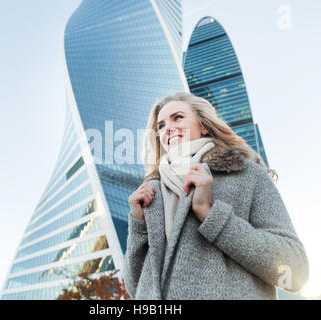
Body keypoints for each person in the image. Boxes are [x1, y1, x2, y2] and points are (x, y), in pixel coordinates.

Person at [122, 92, 309, 299]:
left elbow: (295, 271)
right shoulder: (151, 195)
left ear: (203, 125)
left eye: (178, 117)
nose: (168, 129)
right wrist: (138, 225)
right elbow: (136, 288)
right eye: (161, 126)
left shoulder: (246, 174)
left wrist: (210, 214)